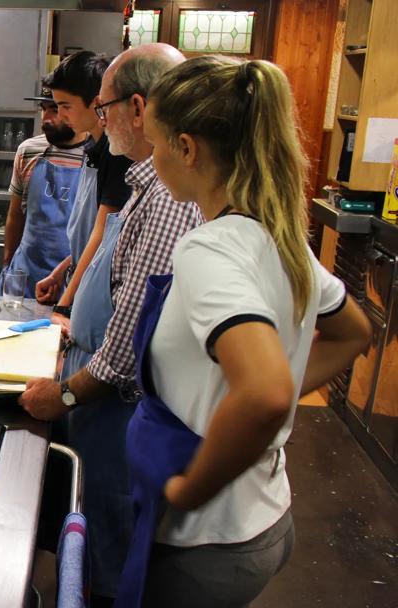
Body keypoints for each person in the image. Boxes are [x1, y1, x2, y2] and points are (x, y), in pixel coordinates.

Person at [115, 55, 372, 608]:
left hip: (207, 538)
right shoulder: (279, 236)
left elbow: (265, 391)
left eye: (157, 143)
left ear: (188, 148)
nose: (153, 157)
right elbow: (354, 333)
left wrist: (191, 485)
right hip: (267, 514)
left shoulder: (210, 249)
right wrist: (255, 406)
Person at [17, 43, 202, 605]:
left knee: (111, 551)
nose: (99, 121)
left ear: (140, 109)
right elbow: (114, 267)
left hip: (112, 405)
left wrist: (66, 396)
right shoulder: (145, 183)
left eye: (105, 108)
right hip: (93, 385)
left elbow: (129, 346)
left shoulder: (169, 195)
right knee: (91, 532)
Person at [32, 52, 133, 326]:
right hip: (79, 278)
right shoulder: (93, 149)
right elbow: (86, 233)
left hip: (95, 288)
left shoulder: (117, 154)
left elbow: (102, 235)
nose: (61, 115)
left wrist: (64, 307)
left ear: (96, 103)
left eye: (65, 106)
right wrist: (61, 271)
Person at [0, 87, 88, 298]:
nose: (46, 118)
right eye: (43, 109)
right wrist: (7, 265)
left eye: (55, 109)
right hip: (26, 274)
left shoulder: (96, 157)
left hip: (74, 279)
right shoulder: (28, 151)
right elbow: (15, 215)